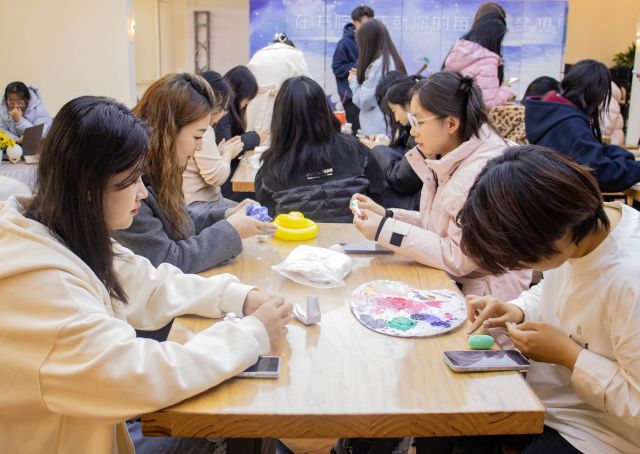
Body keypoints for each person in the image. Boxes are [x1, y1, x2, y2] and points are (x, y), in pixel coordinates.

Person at [0, 95, 292, 454]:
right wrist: (252, 333)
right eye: (131, 179)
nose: (141, 191)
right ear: (88, 187)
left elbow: (149, 282)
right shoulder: (43, 289)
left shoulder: (60, 233)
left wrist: (239, 297)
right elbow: (137, 375)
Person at [448, 145, 640, 453]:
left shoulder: (630, 278)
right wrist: (517, 310)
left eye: (519, 258)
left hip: (606, 432)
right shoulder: (580, 234)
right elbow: (554, 288)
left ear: (556, 232)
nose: (517, 266)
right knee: (461, 417)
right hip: (554, 402)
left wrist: (570, 356)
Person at [351, 71, 531, 301]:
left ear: (451, 123)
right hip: (458, 288)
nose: (413, 131)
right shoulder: (451, 158)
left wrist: (384, 229)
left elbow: (458, 256)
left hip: (486, 302)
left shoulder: (481, 171)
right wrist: (387, 216)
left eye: (419, 122)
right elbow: (438, 226)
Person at [113, 73, 275, 275]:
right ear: (169, 131)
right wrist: (232, 229)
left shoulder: (161, 171)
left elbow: (182, 220)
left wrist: (229, 215)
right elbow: (169, 260)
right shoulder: (132, 190)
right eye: (197, 137)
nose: (200, 147)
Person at [254, 76, 384, 223]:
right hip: (355, 236)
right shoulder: (357, 151)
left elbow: (269, 216)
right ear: (325, 109)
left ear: (280, 118)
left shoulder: (270, 169)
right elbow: (377, 198)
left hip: (297, 238)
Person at [525, 59, 640, 192]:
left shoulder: (552, 113)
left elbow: (591, 151)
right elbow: (602, 174)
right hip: (563, 199)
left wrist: (623, 157)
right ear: (595, 94)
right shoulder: (572, 126)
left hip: (546, 194)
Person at [182, 70, 243, 212]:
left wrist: (218, 153)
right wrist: (228, 153)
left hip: (194, 202)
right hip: (200, 204)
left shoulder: (188, 123)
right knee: (252, 212)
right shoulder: (203, 128)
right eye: (224, 109)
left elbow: (197, 165)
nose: (223, 114)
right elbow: (216, 177)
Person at [363, 72, 423, 210]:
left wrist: (378, 149)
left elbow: (402, 178)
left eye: (393, 111)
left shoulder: (419, 131)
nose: (394, 118)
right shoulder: (411, 129)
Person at [443, 10, 513, 108]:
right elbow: (487, 104)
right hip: (467, 116)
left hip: (447, 110)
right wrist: (506, 90)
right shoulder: (487, 61)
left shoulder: (459, 49)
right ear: (495, 37)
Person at [349, 19, 407, 137]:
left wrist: (353, 81)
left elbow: (364, 101)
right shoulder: (390, 60)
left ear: (368, 43)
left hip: (379, 131)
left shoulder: (378, 66)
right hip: (388, 127)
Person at [215, 65, 265, 200]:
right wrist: (255, 137)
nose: (248, 102)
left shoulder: (230, 111)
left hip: (226, 175)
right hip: (224, 182)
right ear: (239, 92)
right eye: (248, 97)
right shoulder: (223, 114)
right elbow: (228, 146)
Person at [246, 33, 311, 134]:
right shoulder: (296, 54)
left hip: (254, 105)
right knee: (280, 136)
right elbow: (307, 85)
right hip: (283, 104)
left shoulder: (258, 54)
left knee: (256, 137)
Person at [332, 5, 374, 133]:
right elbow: (337, 68)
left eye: (370, 23)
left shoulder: (371, 41)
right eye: (364, 24)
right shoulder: (344, 43)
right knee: (358, 133)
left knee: (369, 134)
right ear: (355, 22)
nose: (368, 28)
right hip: (351, 97)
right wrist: (360, 66)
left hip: (368, 95)